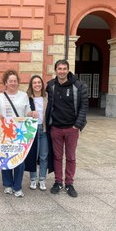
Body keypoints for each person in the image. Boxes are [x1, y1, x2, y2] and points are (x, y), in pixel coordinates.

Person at [46, 59, 88, 198]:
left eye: (64, 69)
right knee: (57, 157)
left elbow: (84, 107)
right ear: (56, 70)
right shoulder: (51, 85)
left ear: (68, 70)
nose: (62, 71)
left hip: (72, 128)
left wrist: (77, 125)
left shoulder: (79, 86)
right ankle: (58, 182)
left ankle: (69, 183)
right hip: (56, 128)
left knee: (70, 157)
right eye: (59, 69)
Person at [0, 70, 35, 198]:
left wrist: (31, 114)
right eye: (10, 81)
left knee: (20, 160)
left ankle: (17, 186)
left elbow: (27, 111)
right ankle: (7, 185)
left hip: (19, 132)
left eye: (15, 81)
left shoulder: (23, 96)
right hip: (4, 132)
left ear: (18, 82)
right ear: (5, 83)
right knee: (6, 157)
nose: (13, 83)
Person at [25, 75, 53, 191]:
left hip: (44, 130)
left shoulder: (46, 98)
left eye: (39, 82)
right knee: (33, 155)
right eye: (34, 83)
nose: (37, 84)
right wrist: (30, 113)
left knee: (43, 156)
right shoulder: (27, 99)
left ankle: (42, 179)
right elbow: (24, 113)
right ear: (31, 85)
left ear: (42, 85)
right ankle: (33, 179)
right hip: (32, 130)